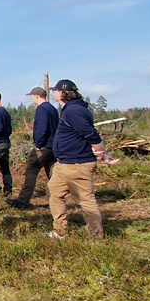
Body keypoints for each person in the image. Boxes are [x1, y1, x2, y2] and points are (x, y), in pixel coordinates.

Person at [46, 79, 116, 239]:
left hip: (77, 163)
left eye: (55, 91)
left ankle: (95, 236)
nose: (54, 93)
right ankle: (59, 230)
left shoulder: (74, 111)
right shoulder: (71, 109)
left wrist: (102, 154)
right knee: (55, 193)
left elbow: (91, 134)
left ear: (62, 93)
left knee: (85, 201)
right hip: (64, 163)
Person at [7, 87, 60, 209]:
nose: (31, 99)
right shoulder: (52, 109)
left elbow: (42, 129)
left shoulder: (42, 109)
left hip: (43, 147)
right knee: (52, 174)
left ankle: (23, 200)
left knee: (31, 170)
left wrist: (38, 145)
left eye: (31, 96)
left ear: (36, 96)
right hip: (53, 147)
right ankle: (56, 200)